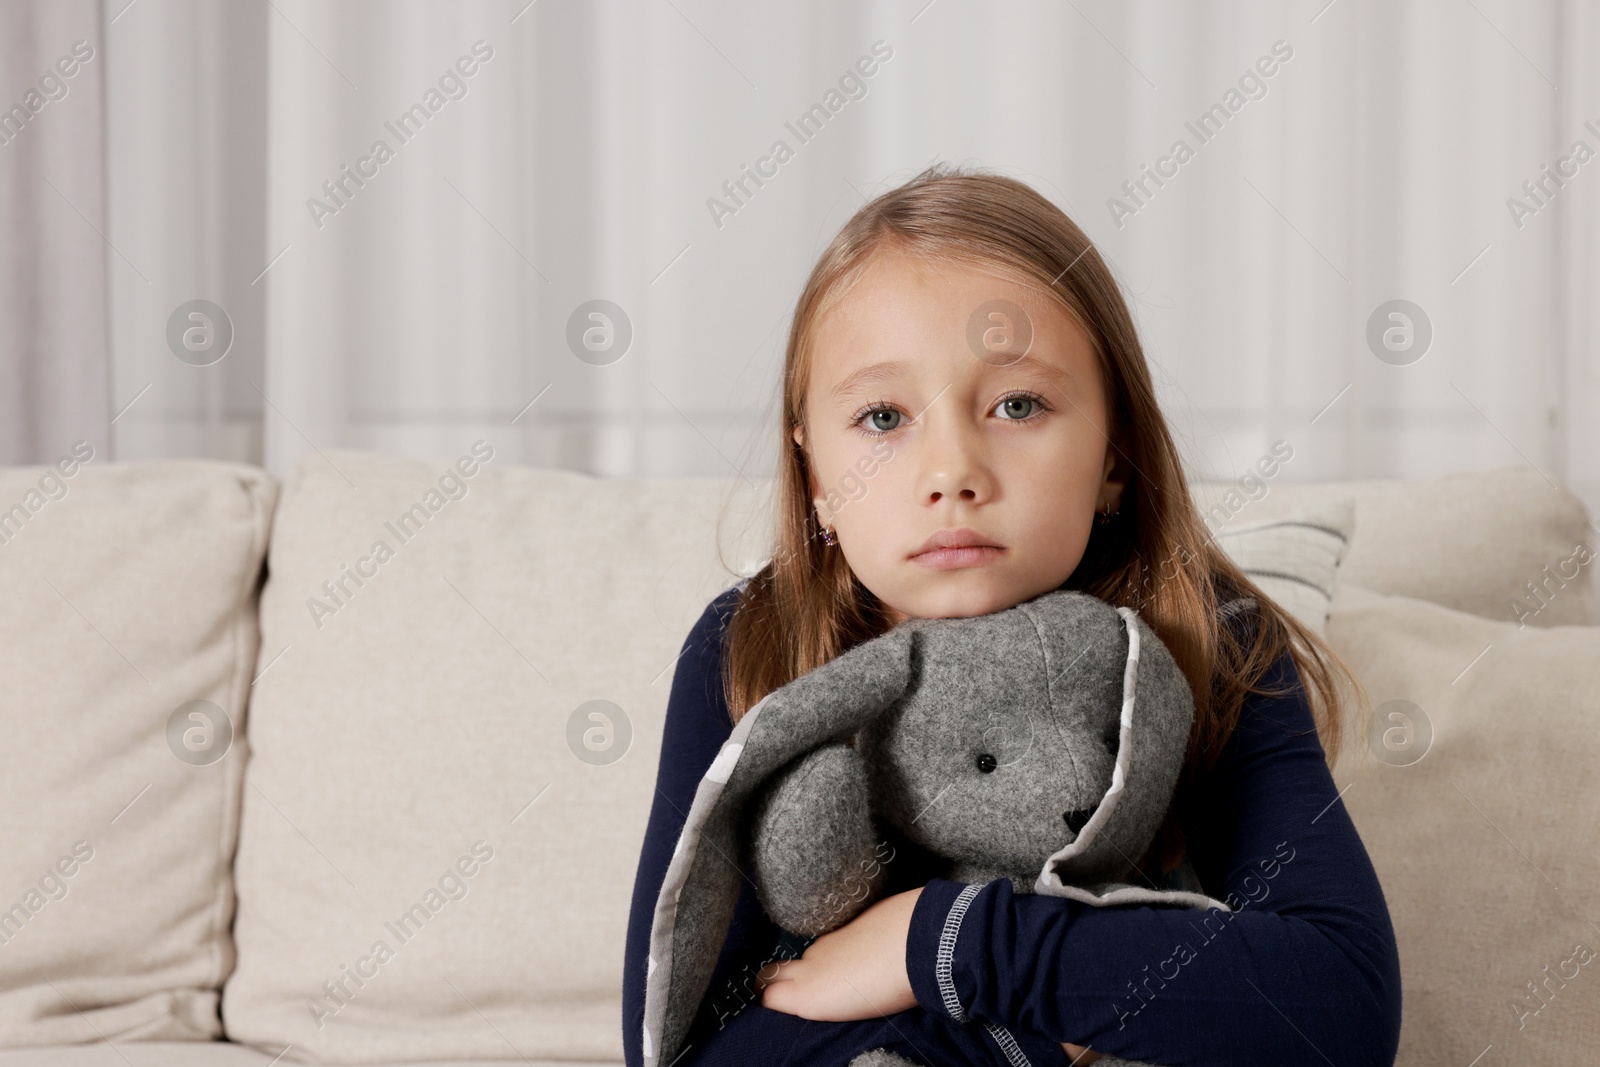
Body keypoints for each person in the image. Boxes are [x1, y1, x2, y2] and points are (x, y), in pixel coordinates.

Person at [622, 163, 1402, 1067]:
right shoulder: (745, 646)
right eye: (883, 416)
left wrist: (937, 942)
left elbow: (1340, 1005)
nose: (952, 470)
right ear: (815, 482)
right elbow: (675, 1049)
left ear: (1114, 456)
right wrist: (1024, 1033)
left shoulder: (1215, 636)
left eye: (1018, 404)